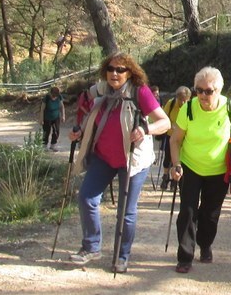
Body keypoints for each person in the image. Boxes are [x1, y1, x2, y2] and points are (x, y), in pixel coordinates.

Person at [67, 53, 171, 273]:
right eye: (111, 69)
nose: (115, 73)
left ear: (130, 72)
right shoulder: (100, 90)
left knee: (126, 211)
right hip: (103, 156)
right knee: (87, 197)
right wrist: (79, 131)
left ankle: (121, 256)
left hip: (132, 159)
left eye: (120, 70)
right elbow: (88, 116)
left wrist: (144, 129)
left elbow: (165, 122)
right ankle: (91, 246)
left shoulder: (140, 92)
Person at [168, 66, 231, 273]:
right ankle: (185, 256)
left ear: (219, 90)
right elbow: (175, 140)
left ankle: (205, 243)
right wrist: (176, 164)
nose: (203, 95)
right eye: (199, 90)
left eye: (208, 91)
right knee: (187, 212)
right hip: (190, 166)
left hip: (218, 170)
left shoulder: (228, 107)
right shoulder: (188, 108)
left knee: (210, 214)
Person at [160, 86, 191, 190]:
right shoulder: (171, 103)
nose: (182, 102)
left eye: (185, 100)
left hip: (184, 137)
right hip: (170, 134)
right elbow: (163, 117)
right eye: (180, 99)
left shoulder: (190, 107)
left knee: (179, 158)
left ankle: (175, 179)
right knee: (168, 156)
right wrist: (171, 125)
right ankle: (165, 177)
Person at [40, 86, 65, 151]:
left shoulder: (59, 97)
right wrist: (41, 119)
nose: (54, 96)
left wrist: (63, 116)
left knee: (56, 131)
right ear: (50, 93)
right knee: (46, 131)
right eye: (53, 95)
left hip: (56, 117)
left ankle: (53, 145)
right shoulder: (47, 98)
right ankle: (44, 145)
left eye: (56, 95)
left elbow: (62, 107)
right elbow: (42, 109)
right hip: (47, 117)